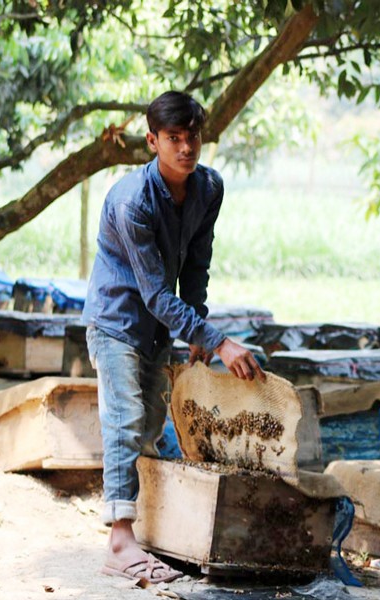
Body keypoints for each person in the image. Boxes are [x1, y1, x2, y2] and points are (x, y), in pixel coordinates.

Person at [82, 91, 266, 584]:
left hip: (161, 327)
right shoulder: (131, 201)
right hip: (117, 321)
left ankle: (149, 534)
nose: (186, 148)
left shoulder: (208, 188)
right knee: (124, 422)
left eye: (193, 137)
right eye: (174, 139)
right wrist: (220, 340)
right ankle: (119, 542)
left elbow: (196, 265)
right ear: (153, 141)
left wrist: (199, 332)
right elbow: (155, 292)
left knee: (150, 429)